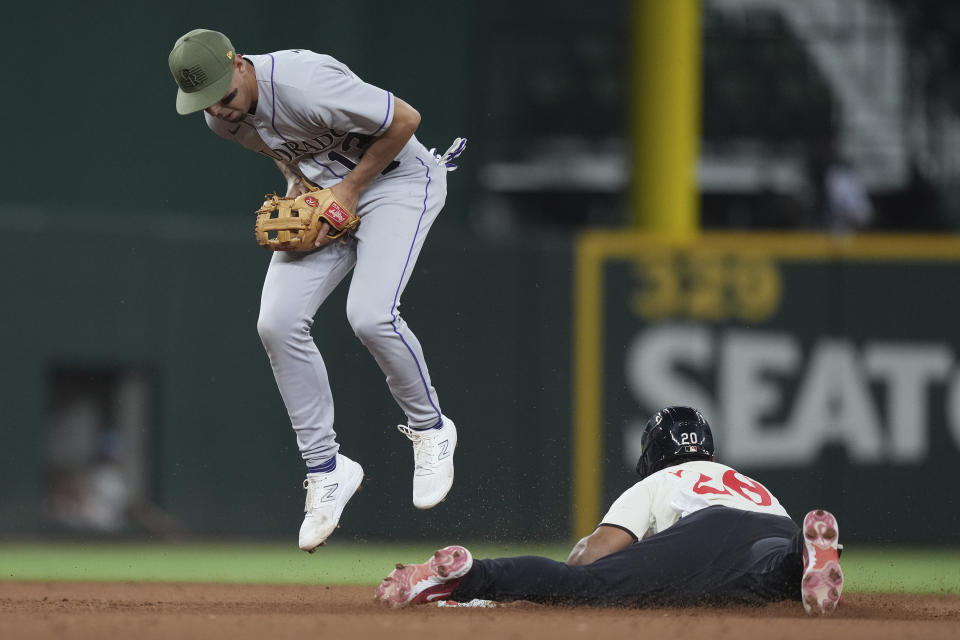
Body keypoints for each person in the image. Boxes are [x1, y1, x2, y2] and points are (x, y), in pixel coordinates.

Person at [168, 29, 465, 551]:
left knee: (371, 315)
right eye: (207, 102)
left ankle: (432, 428)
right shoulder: (223, 121)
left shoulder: (305, 82)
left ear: (239, 64)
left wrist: (348, 191)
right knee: (276, 322)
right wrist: (301, 197)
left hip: (398, 182)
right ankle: (327, 470)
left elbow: (406, 121)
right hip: (330, 198)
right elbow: (292, 157)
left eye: (225, 94)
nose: (221, 109)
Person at [374, 406, 844, 615]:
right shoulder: (747, 483)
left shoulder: (662, 479)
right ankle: (809, 558)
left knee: (584, 586)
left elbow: (590, 557)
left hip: (708, 531)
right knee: (772, 583)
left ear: (653, 453)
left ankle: (465, 575)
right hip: (780, 534)